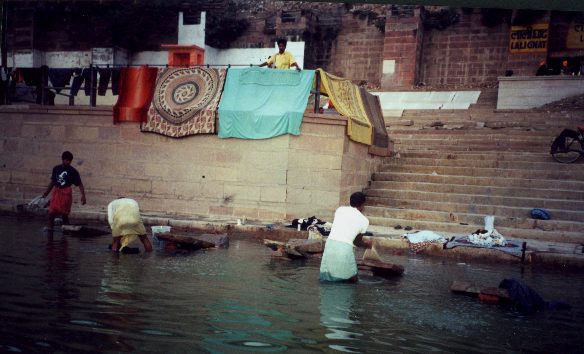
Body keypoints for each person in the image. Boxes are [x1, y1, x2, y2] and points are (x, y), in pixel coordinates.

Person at [320, 192, 371, 283]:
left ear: (350, 201)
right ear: (363, 204)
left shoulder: (340, 210)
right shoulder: (364, 221)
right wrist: (367, 244)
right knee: (351, 279)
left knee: (327, 278)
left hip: (330, 245)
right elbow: (357, 242)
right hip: (344, 249)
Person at [42, 151, 86, 230]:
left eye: (70, 161)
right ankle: (50, 232)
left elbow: (79, 184)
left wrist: (83, 196)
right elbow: (52, 182)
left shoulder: (73, 171)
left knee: (64, 214)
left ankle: (66, 235)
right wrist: (46, 193)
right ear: (63, 160)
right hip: (56, 192)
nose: (68, 162)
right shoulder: (56, 169)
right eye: (67, 160)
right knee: (51, 212)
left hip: (66, 193)